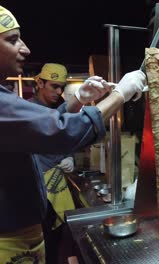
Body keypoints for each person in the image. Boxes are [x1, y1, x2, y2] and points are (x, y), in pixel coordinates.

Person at [0, 5, 147, 264]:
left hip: (22, 234)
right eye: (12, 40)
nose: (25, 48)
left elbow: (44, 134)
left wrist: (79, 99)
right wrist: (119, 95)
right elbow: (60, 131)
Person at [28, 63, 81, 264]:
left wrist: (70, 157)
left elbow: (65, 140)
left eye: (61, 87)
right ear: (40, 83)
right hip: (37, 191)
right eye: (54, 86)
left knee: (56, 240)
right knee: (44, 241)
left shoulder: (56, 108)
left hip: (57, 187)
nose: (58, 92)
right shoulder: (29, 109)